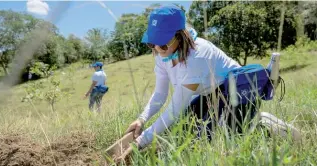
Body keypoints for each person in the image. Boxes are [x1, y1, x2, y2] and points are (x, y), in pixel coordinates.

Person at [116, 5, 300, 162]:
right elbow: (160, 94)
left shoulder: (198, 57)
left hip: (233, 93)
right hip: (205, 94)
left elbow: (175, 108)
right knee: (185, 137)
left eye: (163, 44)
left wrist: (140, 142)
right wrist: (141, 119)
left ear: (180, 36)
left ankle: (266, 125)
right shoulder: (162, 55)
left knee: (230, 143)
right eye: (151, 44)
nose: (156, 49)